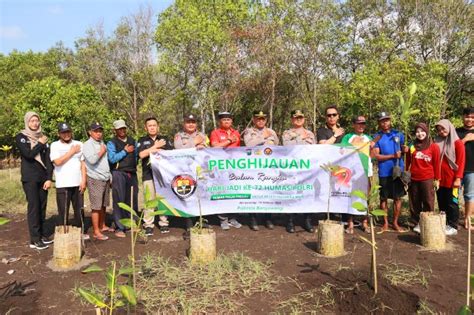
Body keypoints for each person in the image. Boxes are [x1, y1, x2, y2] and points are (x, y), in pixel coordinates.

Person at [16, 112, 53, 250]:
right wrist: (40, 144)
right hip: (30, 178)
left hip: (43, 178)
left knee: (42, 207)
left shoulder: (43, 137)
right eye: (32, 121)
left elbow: (48, 161)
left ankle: (43, 236)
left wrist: (49, 178)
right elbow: (29, 154)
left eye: (37, 120)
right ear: (27, 122)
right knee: (34, 207)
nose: (35, 123)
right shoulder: (21, 137)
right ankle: (34, 240)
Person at [50, 122, 88, 240]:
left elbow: (83, 163)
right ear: (59, 134)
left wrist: (84, 180)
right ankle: (64, 233)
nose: (66, 134)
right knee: (63, 210)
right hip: (63, 184)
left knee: (79, 210)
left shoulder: (79, 144)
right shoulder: (55, 145)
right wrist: (71, 152)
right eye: (63, 132)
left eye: (68, 132)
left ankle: (80, 232)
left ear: (71, 132)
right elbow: (57, 162)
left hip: (77, 182)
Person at [243, 110, 279, 231]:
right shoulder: (249, 132)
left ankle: (267, 218)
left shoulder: (272, 132)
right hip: (254, 167)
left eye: (263, 119)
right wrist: (262, 137)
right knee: (254, 192)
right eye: (258, 119)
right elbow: (248, 144)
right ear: (253, 120)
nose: (260, 121)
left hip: (269, 167)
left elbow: (278, 147)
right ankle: (253, 218)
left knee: (268, 192)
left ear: (266, 120)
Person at [282, 109, 316, 233]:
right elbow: (287, 146)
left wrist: (297, 141)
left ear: (304, 119)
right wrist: (302, 139)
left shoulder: (310, 133)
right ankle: (290, 221)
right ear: (292, 119)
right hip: (292, 167)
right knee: (291, 194)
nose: (298, 119)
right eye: (296, 117)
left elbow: (313, 147)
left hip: (307, 167)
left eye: (301, 117)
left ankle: (307, 220)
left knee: (307, 193)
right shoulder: (287, 132)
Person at [137, 117, 173, 236]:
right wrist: (155, 147)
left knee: (163, 199)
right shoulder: (142, 140)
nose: (152, 127)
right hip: (148, 175)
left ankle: (164, 223)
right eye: (149, 125)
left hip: (163, 176)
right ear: (146, 128)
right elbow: (141, 155)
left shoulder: (165, 139)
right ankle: (148, 224)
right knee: (149, 200)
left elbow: (171, 155)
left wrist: (156, 149)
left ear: (158, 127)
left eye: (154, 125)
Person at [373, 111, 406, 232]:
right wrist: (393, 155)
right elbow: (377, 156)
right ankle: (385, 223)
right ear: (379, 123)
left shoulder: (398, 134)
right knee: (384, 198)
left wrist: (404, 149)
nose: (385, 122)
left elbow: (402, 148)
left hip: (397, 170)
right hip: (384, 172)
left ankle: (395, 222)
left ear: (390, 121)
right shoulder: (377, 137)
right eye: (382, 120)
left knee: (398, 198)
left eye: (387, 120)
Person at [174, 114, 208, 231]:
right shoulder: (179, 136)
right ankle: (188, 222)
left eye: (193, 122)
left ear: (196, 124)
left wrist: (191, 145)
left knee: (201, 195)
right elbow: (178, 149)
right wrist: (194, 143)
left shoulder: (202, 135)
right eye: (188, 122)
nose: (191, 124)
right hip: (185, 170)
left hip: (199, 169)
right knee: (188, 194)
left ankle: (201, 220)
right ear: (184, 124)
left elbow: (206, 147)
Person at [341, 115, 374, 233]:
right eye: (358, 123)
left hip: (366, 170)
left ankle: (365, 222)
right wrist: (352, 144)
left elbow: (373, 156)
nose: (361, 126)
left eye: (363, 123)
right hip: (352, 171)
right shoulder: (348, 137)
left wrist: (373, 148)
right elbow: (342, 151)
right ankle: (350, 223)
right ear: (353, 124)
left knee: (366, 195)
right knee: (351, 195)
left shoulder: (369, 138)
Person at [406, 123, 440, 233]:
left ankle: (427, 223)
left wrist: (437, 179)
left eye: (422, 131)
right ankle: (416, 222)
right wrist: (406, 176)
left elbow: (436, 164)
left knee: (428, 201)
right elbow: (407, 162)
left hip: (427, 178)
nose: (420, 134)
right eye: (417, 132)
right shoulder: (412, 146)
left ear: (427, 131)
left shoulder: (433, 146)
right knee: (414, 202)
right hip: (414, 179)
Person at [210, 111, 242, 230]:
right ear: (220, 122)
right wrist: (228, 140)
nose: (226, 121)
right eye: (224, 120)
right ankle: (223, 219)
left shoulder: (236, 133)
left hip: (235, 167)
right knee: (223, 192)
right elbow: (214, 147)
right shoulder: (215, 132)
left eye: (228, 119)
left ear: (231, 121)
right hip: (221, 167)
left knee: (235, 192)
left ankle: (233, 218)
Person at [107, 119, 138, 238]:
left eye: (124, 128)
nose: (122, 131)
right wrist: (125, 151)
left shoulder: (132, 141)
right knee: (119, 199)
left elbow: (135, 157)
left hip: (132, 173)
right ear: (115, 130)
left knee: (131, 198)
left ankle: (130, 223)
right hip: (118, 173)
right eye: (119, 129)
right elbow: (112, 159)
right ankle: (120, 227)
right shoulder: (111, 143)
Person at [435, 119, 466, 235]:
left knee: (452, 202)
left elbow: (461, 161)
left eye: (443, 128)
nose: (441, 131)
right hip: (440, 179)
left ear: (449, 128)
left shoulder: (457, 143)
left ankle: (453, 225)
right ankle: (444, 223)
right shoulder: (437, 141)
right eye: (439, 130)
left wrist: (458, 178)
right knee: (441, 201)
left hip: (452, 179)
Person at [82, 122, 113, 241]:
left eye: (100, 131)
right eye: (96, 131)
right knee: (96, 206)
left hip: (105, 177)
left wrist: (109, 175)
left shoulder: (101, 143)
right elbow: (92, 160)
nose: (99, 133)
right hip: (95, 178)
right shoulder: (87, 144)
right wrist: (101, 151)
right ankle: (96, 231)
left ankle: (102, 225)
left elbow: (105, 163)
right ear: (90, 132)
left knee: (104, 205)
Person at [456, 107, 474, 230]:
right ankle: (453, 219)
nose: (469, 119)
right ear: (463, 117)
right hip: (457, 169)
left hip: (472, 170)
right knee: (453, 195)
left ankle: (467, 220)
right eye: (467, 116)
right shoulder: (456, 132)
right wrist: (466, 139)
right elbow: (453, 148)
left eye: (472, 117)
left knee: (470, 195)